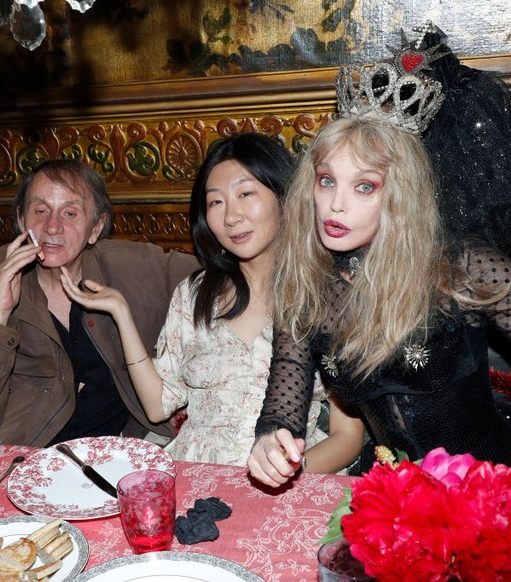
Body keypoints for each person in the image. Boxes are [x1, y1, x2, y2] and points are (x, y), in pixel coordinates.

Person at [247, 25, 511, 488]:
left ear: (401, 197)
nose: (335, 204)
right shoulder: (305, 284)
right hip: (390, 500)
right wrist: (271, 437)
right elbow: (285, 392)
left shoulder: (460, 267)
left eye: (364, 186)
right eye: (327, 181)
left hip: (493, 492)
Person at [60, 133, 366, 470]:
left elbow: (347, 438)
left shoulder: (325, 294)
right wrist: (122, 314)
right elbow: (158, 405)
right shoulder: (195, 293)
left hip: (289, 477)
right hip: (197, 471)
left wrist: (285, 471)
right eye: (216, 202)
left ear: (284, 196)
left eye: (245, 194)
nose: (231, 216)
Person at [0, 159, 200, 446]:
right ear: (21, 220)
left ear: (96, 227)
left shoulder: (135, 268)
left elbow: (218, 275)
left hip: (122, 446)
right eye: (40, 211)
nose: (52, 227)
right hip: (26, 453)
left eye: (70, 213)